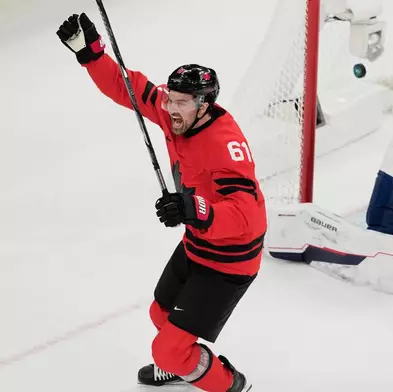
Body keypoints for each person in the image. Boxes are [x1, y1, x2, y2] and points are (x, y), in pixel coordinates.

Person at [56, 13, 265, 392]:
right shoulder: (175, 118)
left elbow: (248, 216)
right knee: (160, 314)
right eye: (171, 99)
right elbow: (130, 88)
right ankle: (188, 363)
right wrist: (92, 54)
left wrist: (193, 209)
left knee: (166, 351)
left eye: (182, 103)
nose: (171, 108)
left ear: (204, 105)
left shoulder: (224, 145)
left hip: (229, 262)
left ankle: (229, 384)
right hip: (197, 245)